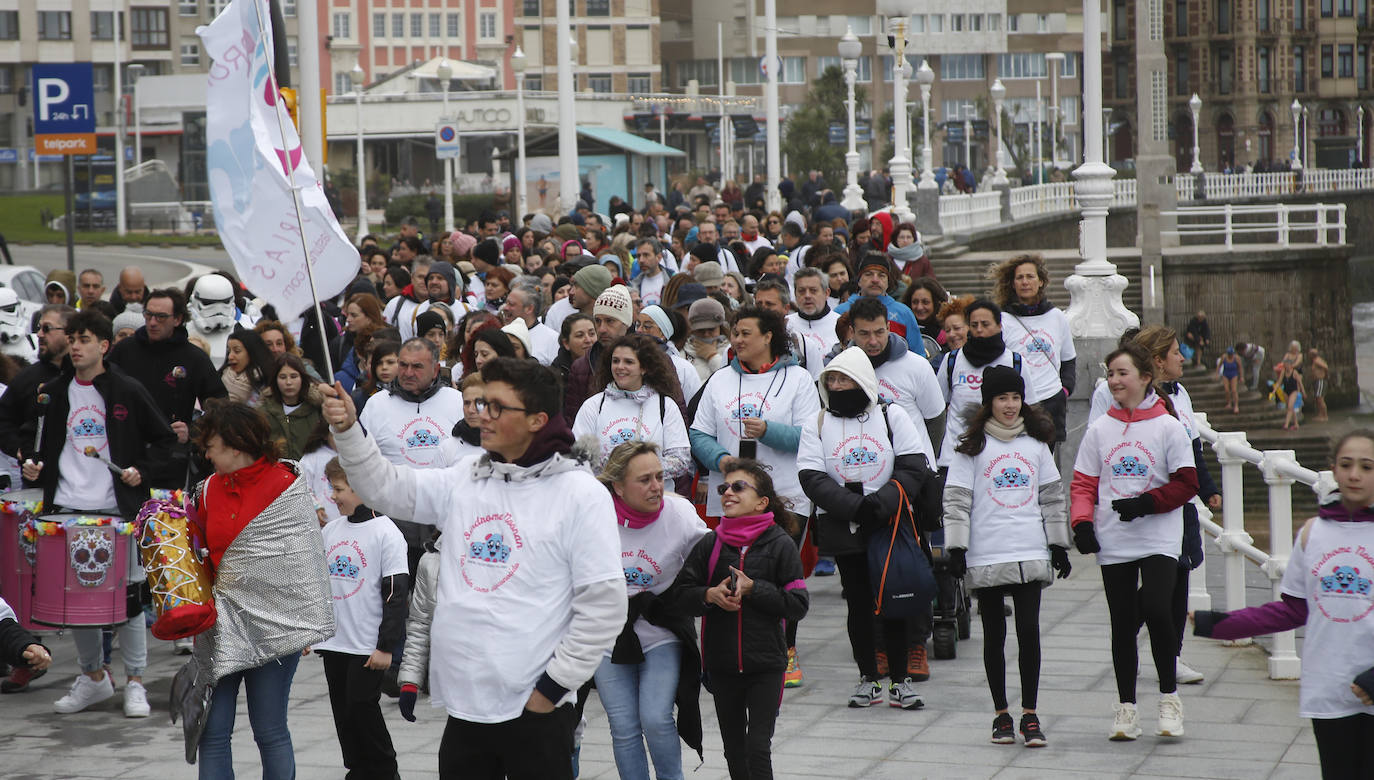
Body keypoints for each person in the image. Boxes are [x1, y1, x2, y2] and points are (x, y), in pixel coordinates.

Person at [322, 357, 626, 780]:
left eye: (498, 407)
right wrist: (349, 430)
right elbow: (387, 487)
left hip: (536, 708)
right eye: (482, 403)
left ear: (538, 419)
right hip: (466, 705)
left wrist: (551, 690)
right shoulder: (468, 476)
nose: (482, 415)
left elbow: (604, 606)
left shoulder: (579, 493)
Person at [1191, 430, 1374, 779]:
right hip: (1330, 690)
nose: (1355, 475)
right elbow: (1291, 610)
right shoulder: (1311, 533)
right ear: (1333, 470)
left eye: (1366, 466)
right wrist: (1215, 623)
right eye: (1347, 465)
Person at [23, 310, 175, 718]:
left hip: (115, 511)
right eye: (71, 338)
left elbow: (164, 442)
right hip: (69, 509)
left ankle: (136, 682)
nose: (75, 345)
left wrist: (140, 470)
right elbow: (35, 444)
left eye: (84, 338)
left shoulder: (126, 389)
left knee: (126, 602)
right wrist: (34, 464)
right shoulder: (53, 392)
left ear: (104, 346)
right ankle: (93, 679)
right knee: (78, 603)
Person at [183, 401, 334, 776]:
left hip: (275, 627)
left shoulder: (287, 487)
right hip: (218, 626)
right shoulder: (206, 489)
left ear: (236, 445)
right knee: (212, 732)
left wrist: (302, 621)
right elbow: (197, 559)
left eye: (212, 445)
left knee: (268, 730)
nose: (206, 453)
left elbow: (305, 564)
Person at [1071, 343, 1197, 741]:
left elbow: (1186, 484)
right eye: (1110, 375)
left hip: (1158, 533)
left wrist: (1147, 503)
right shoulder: (1099, 430)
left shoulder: (1168, 427)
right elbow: (1083, 483)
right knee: (1122, 624)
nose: (1114, 381)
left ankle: (1169, 698)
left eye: (1122, 374)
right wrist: (1082, 524)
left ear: (1145, 378)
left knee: (1159, 608)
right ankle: (1126, 708)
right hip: (1115, 537)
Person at [689, 305, 820, 688]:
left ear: (768, 337)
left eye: (746, 333)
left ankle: (786, 650)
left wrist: (768, 432)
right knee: (731, 573)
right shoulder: (720, 381)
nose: (738, 340)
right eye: (735, 333)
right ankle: (729, 653)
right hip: (731, 494)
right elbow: (699, 434)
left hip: (785, 494)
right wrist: (723, 460)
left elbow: (809, 436)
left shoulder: (797, 380)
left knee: (780, 576)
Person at [798, 346, 934, 710]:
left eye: (846, 378)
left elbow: (912, 465)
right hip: (844, 527)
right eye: (833, 380)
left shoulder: (893, 416)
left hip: (888, 523)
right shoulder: (818, 422)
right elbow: (812, 476)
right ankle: (868, 677)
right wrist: (855, 507)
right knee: (858, 603)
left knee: (894, 599)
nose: (839, 385)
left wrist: (881, 503)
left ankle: (901, 680)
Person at [943, 366, 1070, 746]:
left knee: (1029, 632)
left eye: (1015, 398)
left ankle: (1030, 714)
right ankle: (1001, 713)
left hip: (1030, 550)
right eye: (1002, 398)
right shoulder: (971, 448)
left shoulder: (1036, 446)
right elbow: (956, 501)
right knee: (994, 635)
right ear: (989, 403)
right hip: (988, 552)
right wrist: (956, 547)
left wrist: (1059, 544)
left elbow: (1052, 496)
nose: (1010, 405)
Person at [1090, 325, 1221, 686]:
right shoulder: (1110, 393)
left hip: (1175, 504)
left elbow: (1192, 449)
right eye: (1176, 352)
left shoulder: (1181, 397)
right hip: (1131, 508)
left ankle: (1171, 655)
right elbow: (1098, 450)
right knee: (1155, 595)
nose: (1183, 358)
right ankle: (1132, 640)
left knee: (1180, 575)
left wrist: (1207, 488)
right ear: (1158, 362)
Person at [665, 458, 809, 780]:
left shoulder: (781, 544)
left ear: (762, 501)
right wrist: (709, 595)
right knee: (734, 750)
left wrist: (754, 589)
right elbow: (681, 595)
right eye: (724, 487)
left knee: (757, 747)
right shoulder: (710, 543)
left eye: (738, 487)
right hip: (723, 664)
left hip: (767, 665)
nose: (728, 492)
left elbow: (798, 605)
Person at [595, 441, 708, 780]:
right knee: (624, 725)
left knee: (656, 717)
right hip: (606, 632)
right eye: (644, 480)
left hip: (661, 628)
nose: (657, 487)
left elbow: (713, 558)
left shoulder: (679, 513)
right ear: (618, 486)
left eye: (659, 477)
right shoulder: (593, 517)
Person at [311, 457, 410, 780]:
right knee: (343, 712)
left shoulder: (386, 532)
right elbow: (320, 584)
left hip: (367, 646)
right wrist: (309, 632)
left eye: (339, 489)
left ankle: (384, 769)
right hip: (336, 641)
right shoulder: (332, 530)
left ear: (361, 488)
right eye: (332, 488)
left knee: (362, 707)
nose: (333, 496)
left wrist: (386, 646)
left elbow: (396, 596)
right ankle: (357, 769)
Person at [358, 337, 464, 579]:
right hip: (393, 517)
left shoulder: (456, 402)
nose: (407, 372)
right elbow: (362, 460)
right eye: (403, 365)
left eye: (417, 366)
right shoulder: (377, 404)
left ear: (435, 368)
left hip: (442, 520)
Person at [107, 287, 228, 474]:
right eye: (148, 315)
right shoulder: (124, 350)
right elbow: (102, 391)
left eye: (161, 317)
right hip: (125, 451)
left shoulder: (194, 358)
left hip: (171, 459)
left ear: (177, 319)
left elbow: (220, 406)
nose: (153, 322)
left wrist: (193, 431)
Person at [935, 300, 1045, 468]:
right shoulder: (952, 360)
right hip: (956, 456)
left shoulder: (1015, 362)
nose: (979, 330)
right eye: (974, 324)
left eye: (985, 324)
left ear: (999, 326)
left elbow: (1030, 408)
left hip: (1000, 458)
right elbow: (937, 407)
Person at [573, 332, 691, 482]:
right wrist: (613, 469)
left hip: (653, 498)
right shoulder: (594, 406)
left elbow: (681, 460)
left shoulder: (665, 405)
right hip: (607, 498)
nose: (620, 367)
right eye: (615, 361)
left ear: (644, 368)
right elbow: (578, 457)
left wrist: (638, 470)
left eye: (628, 362)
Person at [990, 255, 1077, 446]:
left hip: (1051, 401)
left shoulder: (1057, 317)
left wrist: (1064, 390)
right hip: (1017, 404)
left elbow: (1069, 360)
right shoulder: (1003, 320)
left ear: (1041, 281)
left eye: (1030, 276)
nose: (1025, 282)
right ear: (1012, 284)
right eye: (1019, 278)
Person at [564, 284, 637, 424]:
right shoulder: (582, 366)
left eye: (610, 321)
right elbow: (574, 422)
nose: (602, 329)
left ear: (626, 323)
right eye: (597, 321)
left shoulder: (652, 359)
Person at [833, 253, 924, 354]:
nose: (875, 280)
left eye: (881, 275)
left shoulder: (904, 313)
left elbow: (918, 355)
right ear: (859, 280)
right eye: (868, 274)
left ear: (888, 282)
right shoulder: (839, 312)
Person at [260, 353, 325, 461]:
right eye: (282, 377)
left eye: (294, 376)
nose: (288, 382)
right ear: (275, 380)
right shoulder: (263, 413)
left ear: (302, 378)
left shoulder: (318, 409)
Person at [787, 268, 840, 382]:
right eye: (801, 291)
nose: (807, 296)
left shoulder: (840, 324)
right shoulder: (785, 325)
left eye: (813, 290)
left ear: (826, 293)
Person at [500, 281, 560, 365]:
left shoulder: (553, 339)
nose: (505, 308)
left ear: (529, 308)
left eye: (511, 304)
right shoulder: (501, 333)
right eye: (506, 303)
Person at [220, 328, 275, 405]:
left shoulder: (269, 383)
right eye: (229, 351)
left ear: (252, 352)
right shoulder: (222, 375)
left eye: (237, 351)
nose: (230, 356)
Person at [553, 313, 596, 383]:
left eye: (592, 334)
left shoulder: (609, 365)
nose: (588, 340)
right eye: (580, 335)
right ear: (566, 343)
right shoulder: (556, 375)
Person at [1280, 359, 1305, 431]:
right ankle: (1296, 424)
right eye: (1285, 365)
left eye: (1287, 365)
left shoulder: (1295, 372)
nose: (1286, 367)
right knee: (1291, 408)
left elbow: (1300, 382)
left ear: (1290, 365)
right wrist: (1274, 390)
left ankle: (1286, 425)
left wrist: (1303, 391)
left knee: (1290, 407)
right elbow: (1279, 382)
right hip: (1286, 392)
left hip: (1294, 391)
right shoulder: (1283, 372)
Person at [1219, 346, 1242, 414]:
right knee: (1227, 390)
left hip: (1234, 374)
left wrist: (1241, 377)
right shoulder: (1224, 357)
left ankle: (1236, 405)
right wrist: (1217, 374)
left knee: (1234, 390)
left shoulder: (1237, 358)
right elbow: (1219, 365)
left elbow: (1240, 367)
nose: (1230, 355)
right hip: (1225, 373)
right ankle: (1229, 403)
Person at [1308, 347, 1329, 422]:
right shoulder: (1315, 360)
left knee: (1320, 399)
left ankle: (1325, 416)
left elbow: (1326, 367)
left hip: (1320, 381)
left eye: (1309, 354)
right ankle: (1320, 414)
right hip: (1317, 381)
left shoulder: (1317, 360)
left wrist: (1325, 375)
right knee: (1317, 398)